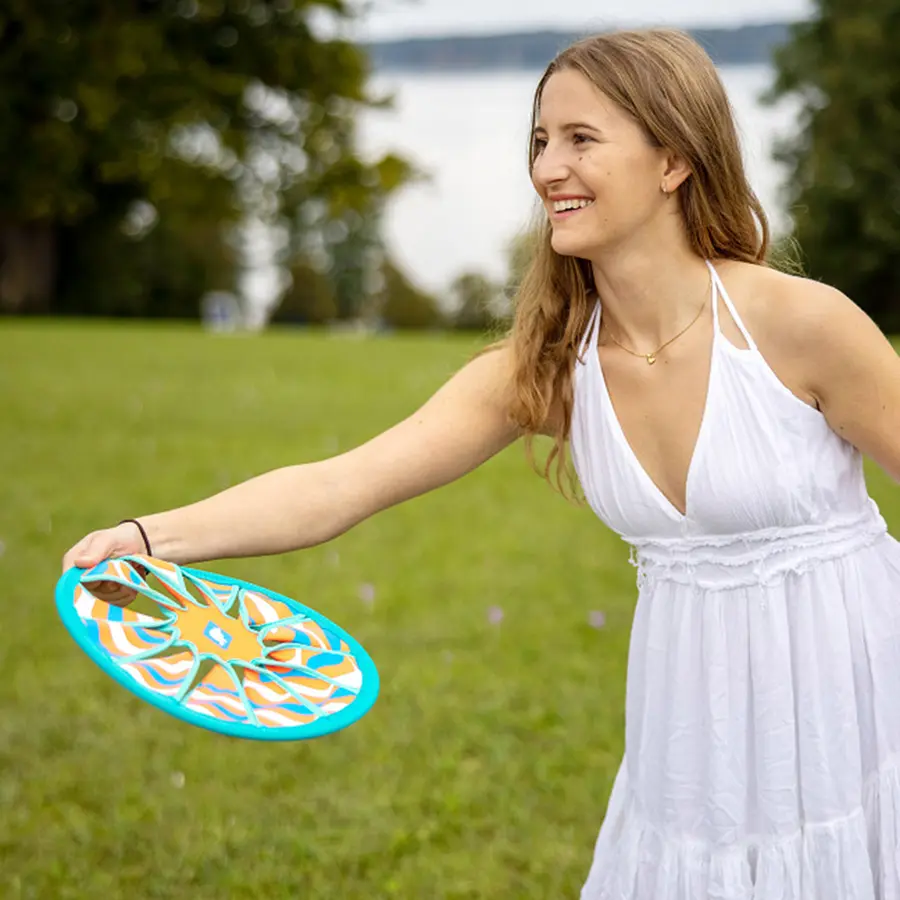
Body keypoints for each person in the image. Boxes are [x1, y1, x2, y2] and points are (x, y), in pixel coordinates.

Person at [63, 28, 900, 898]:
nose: (547, 169)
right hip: (695, 750)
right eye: (541, 141)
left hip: (862, 709)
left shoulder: (802, 326)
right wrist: (147, 535)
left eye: (582, 139)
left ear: (674, 161)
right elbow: (342, 484)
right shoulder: (545, 368)